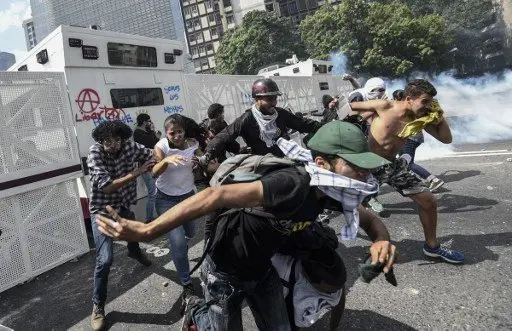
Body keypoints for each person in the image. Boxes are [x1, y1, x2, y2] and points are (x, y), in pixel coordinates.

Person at [95, 121, 397, 331]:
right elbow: (217, 194)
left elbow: (368, 218)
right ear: (322, 163)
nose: (362, 175)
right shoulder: (293, 184)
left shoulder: (333, 190)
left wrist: (381, 239)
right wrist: (148, 231)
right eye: (354, 166)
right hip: (223, 272)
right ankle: (195, 313)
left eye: (364, 167)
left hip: (262, 270)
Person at [350, 79, 464, 264]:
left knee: (429, 201)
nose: (429, 106)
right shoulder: (384, 105)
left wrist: (440, 115)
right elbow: (352, 105)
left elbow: (446, 139)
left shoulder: (420, 119)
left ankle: (432, 247)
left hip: (390, 165)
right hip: (365, 162)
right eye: (425, 101)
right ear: (409, 98)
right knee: (349, 203)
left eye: (432, 103)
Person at [86, 120, 156, 331]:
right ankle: (98, 305)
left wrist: (165, 153)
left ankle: (134, 252)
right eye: (108, 140)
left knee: (134, 233)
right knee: (105, 260)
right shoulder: (95, 153)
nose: (114, 145)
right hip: (103, 210)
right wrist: (137, 172)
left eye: (118, 139)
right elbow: (107, 187)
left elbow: (153, 154)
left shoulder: (129, 146)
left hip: (123, 205)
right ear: (101, 141)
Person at [200, 78, 323, 164]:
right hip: (264, 166)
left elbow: (303, 124)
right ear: (256, 99)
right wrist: (208, 154)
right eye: (269, 99)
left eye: (275, 98)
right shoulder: (246, 119)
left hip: (288, 161)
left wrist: (327, 127)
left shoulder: (281, 113)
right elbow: (224, 135)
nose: (274, 102)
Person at [152, 114, 202, 306]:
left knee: (191, 231)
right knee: (179, 243)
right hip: (166, 200)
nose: (177, 136)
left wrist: (199, 163)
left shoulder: (192, 143)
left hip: (188, 197)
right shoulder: (162, 146)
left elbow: (199, 164)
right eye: (172, 133)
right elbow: (154, 171)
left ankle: (180, 244)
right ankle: (187, 284)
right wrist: (165, 161)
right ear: (166, 133)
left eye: (179, 131)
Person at [393, 90, 445, 192]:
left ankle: (433, 180)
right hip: (413, 138)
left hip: (410, 138)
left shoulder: (404, 109)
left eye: (394, 98)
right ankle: (417, 182)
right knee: (403, 163)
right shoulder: (411, 106)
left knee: (407, 163)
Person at [133, 113, 161, 221]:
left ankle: (160, 214)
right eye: (149, 121)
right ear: (144, 122)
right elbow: (151, 143)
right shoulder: (138, 133)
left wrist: (154, 133)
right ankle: (149, 218)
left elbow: (155, 145)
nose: (150, 123)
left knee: (157, 191)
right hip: (147, 167)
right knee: (153, 193)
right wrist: (155, 134)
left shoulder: (145, 132)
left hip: (153, 165)